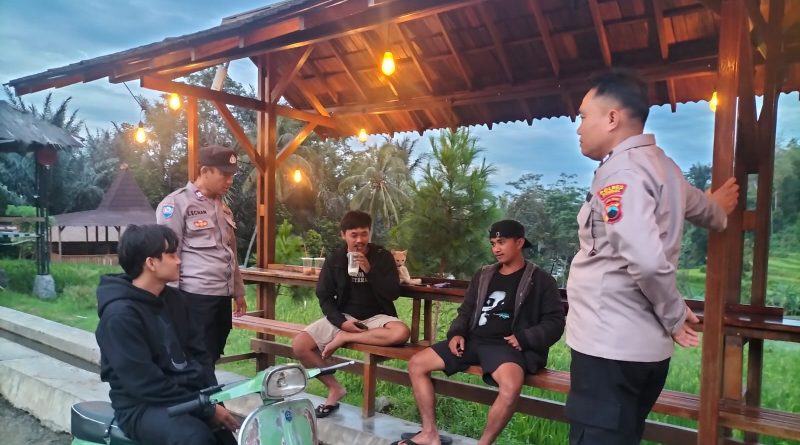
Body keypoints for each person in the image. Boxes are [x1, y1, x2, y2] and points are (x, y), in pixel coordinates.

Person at [565, 70, 740, 444]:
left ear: (612, 118)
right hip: (643, 352)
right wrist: (718, 207)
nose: (578, 128)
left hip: (609, 348)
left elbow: (644, 259)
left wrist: (674, 316)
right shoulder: (666, 169)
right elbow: (706, 211)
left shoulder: (622, 173)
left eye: (583, 116)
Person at [394, 220, 566, 445]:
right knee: (417, 364)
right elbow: (466, 310)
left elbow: (555, 322)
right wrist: (457, 333)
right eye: (493, 243)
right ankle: (429, 434)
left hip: (507, 346)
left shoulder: (540, 280)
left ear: (519, 243)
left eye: (501, 242)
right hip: (473, 340)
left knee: (511, 387)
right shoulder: (484, 275)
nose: (496, 249)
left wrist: (525, 338)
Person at [95, 224, 239, 445]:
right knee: (195, 437)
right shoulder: (120, 316)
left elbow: (200, 355)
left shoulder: (177, 300)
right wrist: (205, 409)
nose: (179, 260)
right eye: (171, 254)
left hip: (188, 397)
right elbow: (144, 383)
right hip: (142, 405)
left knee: (227, 438)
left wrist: (212, 399)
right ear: (151, 263)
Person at [291, 210, 410, 418]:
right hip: (344, 315)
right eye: (353, 235)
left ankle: (346, 337)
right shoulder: (335, 259)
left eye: (364, 234)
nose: (359, 240)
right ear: (343, 235)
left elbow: (393, 293)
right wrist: (341, 322)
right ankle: (334, 388)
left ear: (369, 234)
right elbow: (324, 296)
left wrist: (370, 271)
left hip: (377, 316)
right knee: (300, 345)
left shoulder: (382, 257)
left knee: (401, 332)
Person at [156, 144, 246, 364]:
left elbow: (231, 253)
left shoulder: (223, 208)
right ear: (205, 171)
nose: (230, 181)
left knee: (212, 354)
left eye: (232, 176)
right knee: (193, 357)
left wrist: (238, 291)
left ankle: (206, 385)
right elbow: (168, 254)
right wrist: (171, 302)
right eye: (224, 175)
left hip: (221, 297)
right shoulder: (177, 204)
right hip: (194, 298)